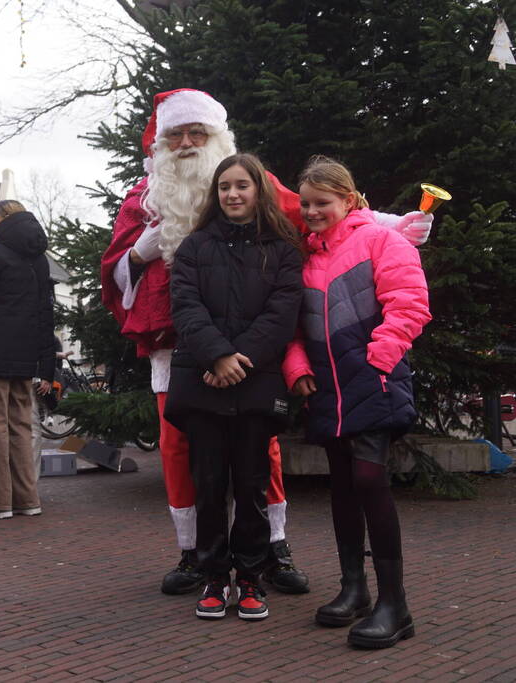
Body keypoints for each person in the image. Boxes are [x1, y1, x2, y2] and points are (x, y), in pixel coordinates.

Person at [100, 88, 433, 596]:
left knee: (263, 450)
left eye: (198, 132)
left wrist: (395, 224)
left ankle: (272, 548)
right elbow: (114, 271)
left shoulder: (257, 185)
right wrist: (139, 255)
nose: (188, 143)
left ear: (216, 137)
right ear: (161, 142)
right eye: (177, 134)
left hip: (256, 345)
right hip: (183, 348)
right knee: (178, 446)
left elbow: (319, 212)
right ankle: (194, 552)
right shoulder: (143, 199)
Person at [284, 156, 430, 648]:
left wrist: (379, 360)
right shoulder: (303, 258)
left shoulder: (381, 240)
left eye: (321, 202)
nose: (312, 211)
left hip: (372, 381)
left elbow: (409, 303)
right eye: (305, 204)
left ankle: (396, 604)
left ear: (348, 200)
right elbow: (294, 328)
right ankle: (355, 590)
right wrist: (297, 368)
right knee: (343, 486)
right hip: (326, 389)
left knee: (369, 479)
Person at [165, 153, 303, 620]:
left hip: (254, 386)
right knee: (208, 486)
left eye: (242, 185)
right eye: (224, 186)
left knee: (251, 486)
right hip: (204, 385)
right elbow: (184, 307)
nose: (233, 194)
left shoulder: (282, 249)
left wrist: (234, 360)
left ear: (258, 190)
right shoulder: (194, 247)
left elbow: (281, 315)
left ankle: (249, 578)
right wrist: (216, 355)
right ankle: (212, 577)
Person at [0, 199, 54, 519]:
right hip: (26, 354)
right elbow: (46, 312)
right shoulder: (40, 259)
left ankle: (0, 502)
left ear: (5, 219)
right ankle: (28, 499)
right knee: (20, 426)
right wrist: (46, 363)